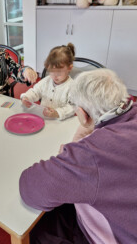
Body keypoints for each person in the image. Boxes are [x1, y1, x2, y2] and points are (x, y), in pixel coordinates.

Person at [19, 69, 137, 244]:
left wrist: (76, 149)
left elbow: (29, 187)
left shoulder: (93, 154)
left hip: (115, 237)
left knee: (37, 228)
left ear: (81, 113)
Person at [21, 43, 75, 120]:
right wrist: (27, 97)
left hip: (61, 122)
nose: (55, 76)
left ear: (70, 68)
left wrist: (57, 113)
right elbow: (35, 92)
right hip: (44, 119)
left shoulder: (72, 86)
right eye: (51, 72)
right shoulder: (47, 80)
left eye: (59, 73)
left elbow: (73, 107)